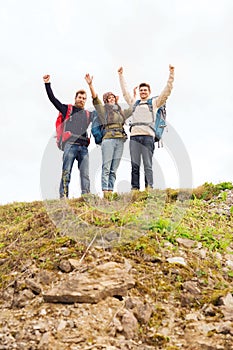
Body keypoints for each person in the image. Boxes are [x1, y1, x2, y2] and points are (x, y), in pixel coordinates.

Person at [118, 65, 175, 191]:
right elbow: (125, 92)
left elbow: (167, 92)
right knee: (135, 165)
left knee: (148, 164)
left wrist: (171, 74)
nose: (143, 92)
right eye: (141, 90)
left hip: (148, 136)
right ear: (139, 92)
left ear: (149, 92)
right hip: (134, 137)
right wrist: (121, 75)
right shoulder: (134, 104)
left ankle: (149, 188)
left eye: (145, 90)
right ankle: (135, 189)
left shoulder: (154, 103)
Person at [43, 74, 93, 198]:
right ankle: (63, 196)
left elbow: (101, 112)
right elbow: (53, 99)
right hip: (70, 145)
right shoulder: (67, 109)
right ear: (75, 98)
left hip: (83, 147)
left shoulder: (88, 114)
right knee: (67, 171)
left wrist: (91, 85)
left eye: (84, 98)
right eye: (80, 97)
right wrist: (47, 84)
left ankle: (86, 196)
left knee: (85, 173)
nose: (81, 100)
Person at [85, 73, 132, 197]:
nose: (111, 99)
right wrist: (90, 85)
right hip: (108, 140)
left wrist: (134, 96)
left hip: (120, 140)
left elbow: (132, 109)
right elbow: (96, 100)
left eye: (113, 98)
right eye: (108, 98)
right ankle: (105, 192)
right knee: (106, 166)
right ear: (106, 100)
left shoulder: (121, 112)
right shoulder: (103, 110)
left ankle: (110, 192)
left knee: (114, 168)